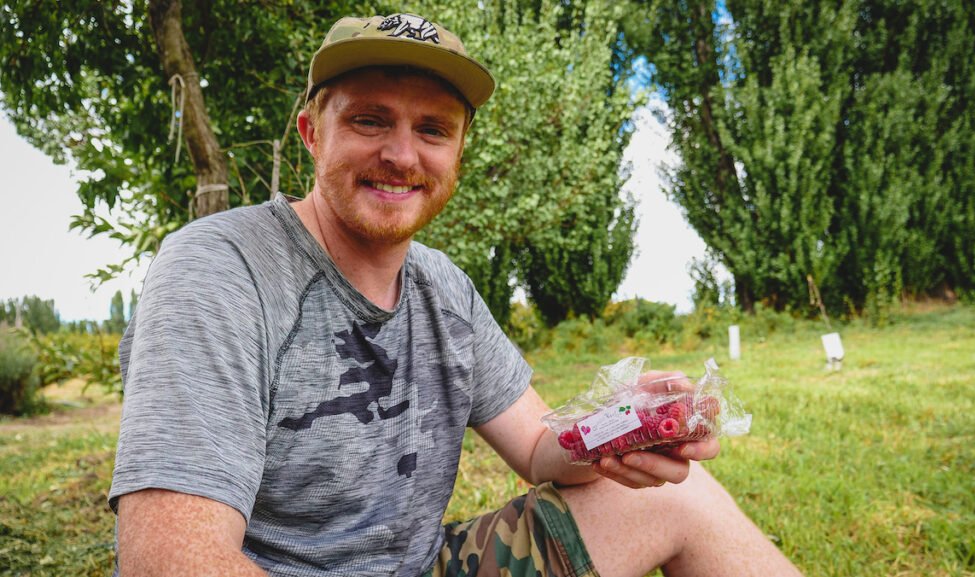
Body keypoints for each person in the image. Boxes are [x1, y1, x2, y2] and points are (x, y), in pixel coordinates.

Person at [108, 12, 803, 577]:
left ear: (458, 155)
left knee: (684, 503)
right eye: (370, 120)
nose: (402, 155)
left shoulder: (443, 288)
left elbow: (536, 444)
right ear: (312, 134)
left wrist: (615, 431)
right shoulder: (218, 269)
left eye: (433, 129)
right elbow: (170, 562)